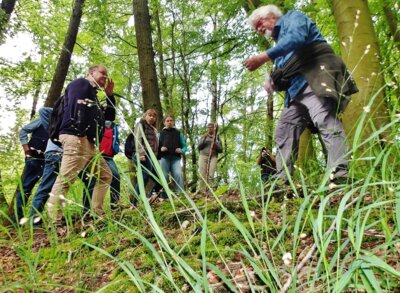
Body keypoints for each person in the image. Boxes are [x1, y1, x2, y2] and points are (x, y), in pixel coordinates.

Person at [244, 5, 358, 186]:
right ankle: (282, 179)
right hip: (295, 94)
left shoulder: (292, 18)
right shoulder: (278, 48)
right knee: (283, 131)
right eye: (256, 28)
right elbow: (285, 73)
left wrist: (263, 57)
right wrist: (273, 83)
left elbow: (297, 39)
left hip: (312, 79)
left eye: (260, 23)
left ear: (271, 16)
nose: (259, 29)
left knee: (325, 120)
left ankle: (340, 173)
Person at [46, 64, 113, 222]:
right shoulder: (81, 83)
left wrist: (109, 95)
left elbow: (110, 116)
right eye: (102, 73)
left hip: (87, 142)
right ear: (91, 72)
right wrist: (80, 132)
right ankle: (55, 220)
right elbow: (77, 108)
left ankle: (97, 213)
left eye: (106, 74)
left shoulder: (94, 96)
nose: (105, 77)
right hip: (76, 137)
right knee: (66, 178)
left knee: (105, 175)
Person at [82, 95, 121, 212]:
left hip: (108, 157)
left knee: (116, 177)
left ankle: (115, 206)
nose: (105, 110)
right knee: (93, 179)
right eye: (102, 108)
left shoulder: (113, 127)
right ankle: (87, 209)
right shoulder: (95, 122)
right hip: (95, 154)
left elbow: (110, 110)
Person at [13, 108, 49, 222]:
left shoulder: (62, 123)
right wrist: (26, 149)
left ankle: (35, 218)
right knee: (26, 187)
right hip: (34, 157)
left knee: (45, 188)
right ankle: (17, 218)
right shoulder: (42, 119)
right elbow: (23, 131)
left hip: (48, 159)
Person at [131, 108, 159, 207]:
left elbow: (155, 144)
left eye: (154, 116)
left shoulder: (153, 129)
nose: (152, 118)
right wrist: (141, 153)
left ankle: (151, 196)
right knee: (144, 176)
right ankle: (134, 201)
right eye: (149, 115)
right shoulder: (141, 124)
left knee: (158, 176)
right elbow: (137, 138)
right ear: (145, 116)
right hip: (142, 155)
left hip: (151, 157)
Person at [158, 115, 187, 198]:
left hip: (176, 159)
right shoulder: (160, 133)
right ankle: (163, 196)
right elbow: (156, 147)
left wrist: (181, 150)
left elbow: (184, 146)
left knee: (178, 174)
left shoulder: (178, 133)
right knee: (164, 176)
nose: (169, 122)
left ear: (173, 122)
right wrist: (161, 149)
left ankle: (180, 194)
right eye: (167, 121)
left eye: (171, 120)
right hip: (164, 158)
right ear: (164, 123)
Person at [197, 123, 223, 192]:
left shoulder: (217, 137)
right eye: (208, 127)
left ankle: (210, 191)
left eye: (211, 127)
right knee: (202, 173)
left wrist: (215, 143)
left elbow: (221, 150)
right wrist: (204, 139)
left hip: (213, 157)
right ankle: (202, 191)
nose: (210, 128)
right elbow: (199, 147)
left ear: (214, 128)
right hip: (203, 156)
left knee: (211, 174)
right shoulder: (204, 136)